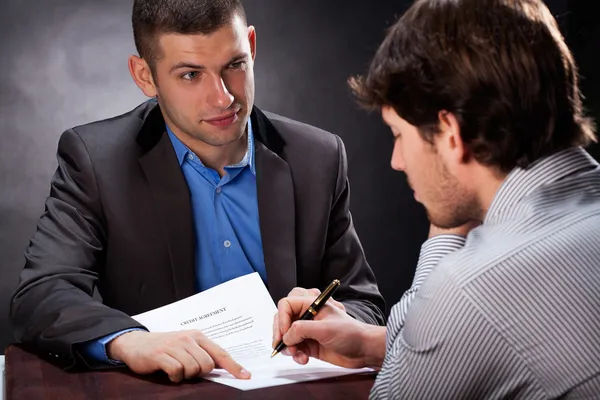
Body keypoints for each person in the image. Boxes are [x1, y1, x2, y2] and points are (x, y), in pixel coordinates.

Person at [10, 0, 385, 383]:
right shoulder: (96, 161)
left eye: (235, 65)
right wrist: (128, 341)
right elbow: (42, 293)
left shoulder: (318, 158)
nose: (222, 98)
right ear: (145, 76)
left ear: (251, 46)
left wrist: (331, 320)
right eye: (191, 75)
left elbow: (364, 306)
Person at [273, 0, 600, 398]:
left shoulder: (468, 288)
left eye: (398, 134)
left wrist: (443, 214)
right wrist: (371, 342)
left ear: (449, 134)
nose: (396, 162)